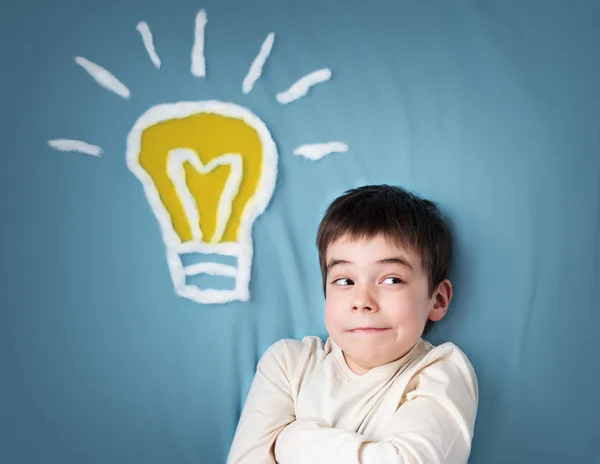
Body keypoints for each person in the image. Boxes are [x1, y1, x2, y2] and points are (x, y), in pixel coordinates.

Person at [226, 184, 479, 464]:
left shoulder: (440, 372)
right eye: (344, 281)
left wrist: (291, 442)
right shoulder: (288, 365)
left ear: (438, 300)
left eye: (391, 279)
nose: (362, 301)